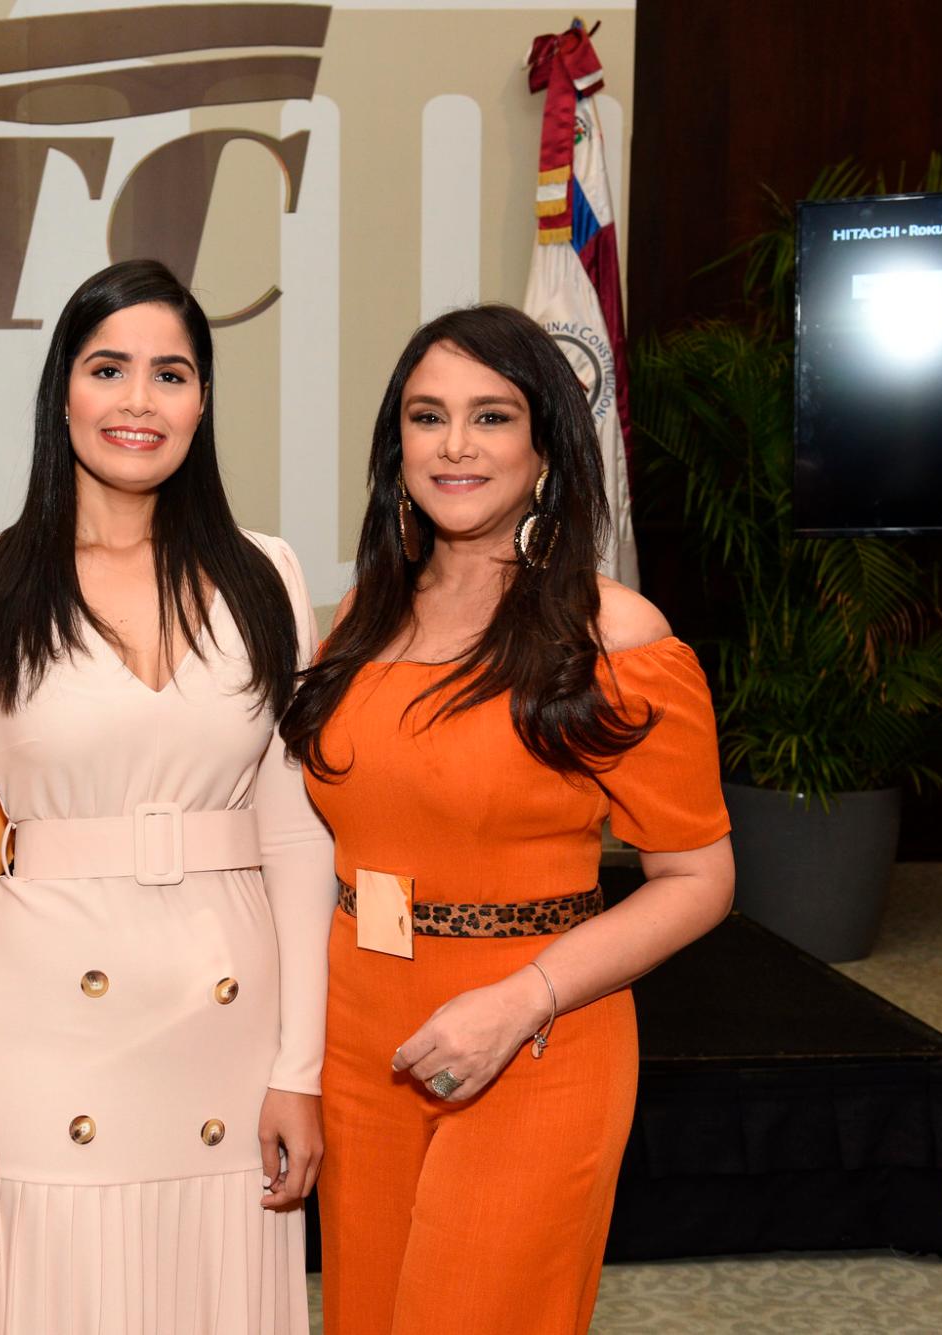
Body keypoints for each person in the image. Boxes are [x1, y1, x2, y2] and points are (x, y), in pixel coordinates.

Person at [278, 305, 735, 1334]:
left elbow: (698, 881)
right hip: (359, 1036)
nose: (452, 445)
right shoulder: (354, 624)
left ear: (542, 453)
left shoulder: (614, 637)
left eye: (490, 417)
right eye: (425, 416)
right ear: (394, 448)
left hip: (537, 1037)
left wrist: (518, 1000)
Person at [0, 259, 337, 1334]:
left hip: (226, 1034)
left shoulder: (264, 575)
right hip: (45, 1032)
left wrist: (300, 1068)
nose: (140, 402)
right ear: (63, 393)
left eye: (171, 374)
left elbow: (296, 839)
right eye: (110, 369)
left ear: (202, 401)